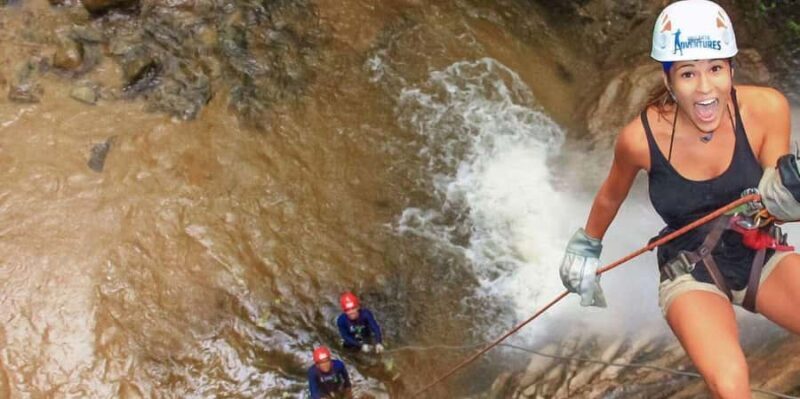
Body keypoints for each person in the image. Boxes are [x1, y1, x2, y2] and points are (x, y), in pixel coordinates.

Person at [559, 1, 800, 397]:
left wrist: (787, 197)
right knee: (731, 385)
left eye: (716, 69)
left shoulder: (765, 108)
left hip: (759, 252)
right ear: (669, 80)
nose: (705, 89)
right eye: (689, 73)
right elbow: (609, 197)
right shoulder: (640, 139)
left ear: (731, 70)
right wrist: (586, 248)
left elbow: (776, 184)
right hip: (690, 270)